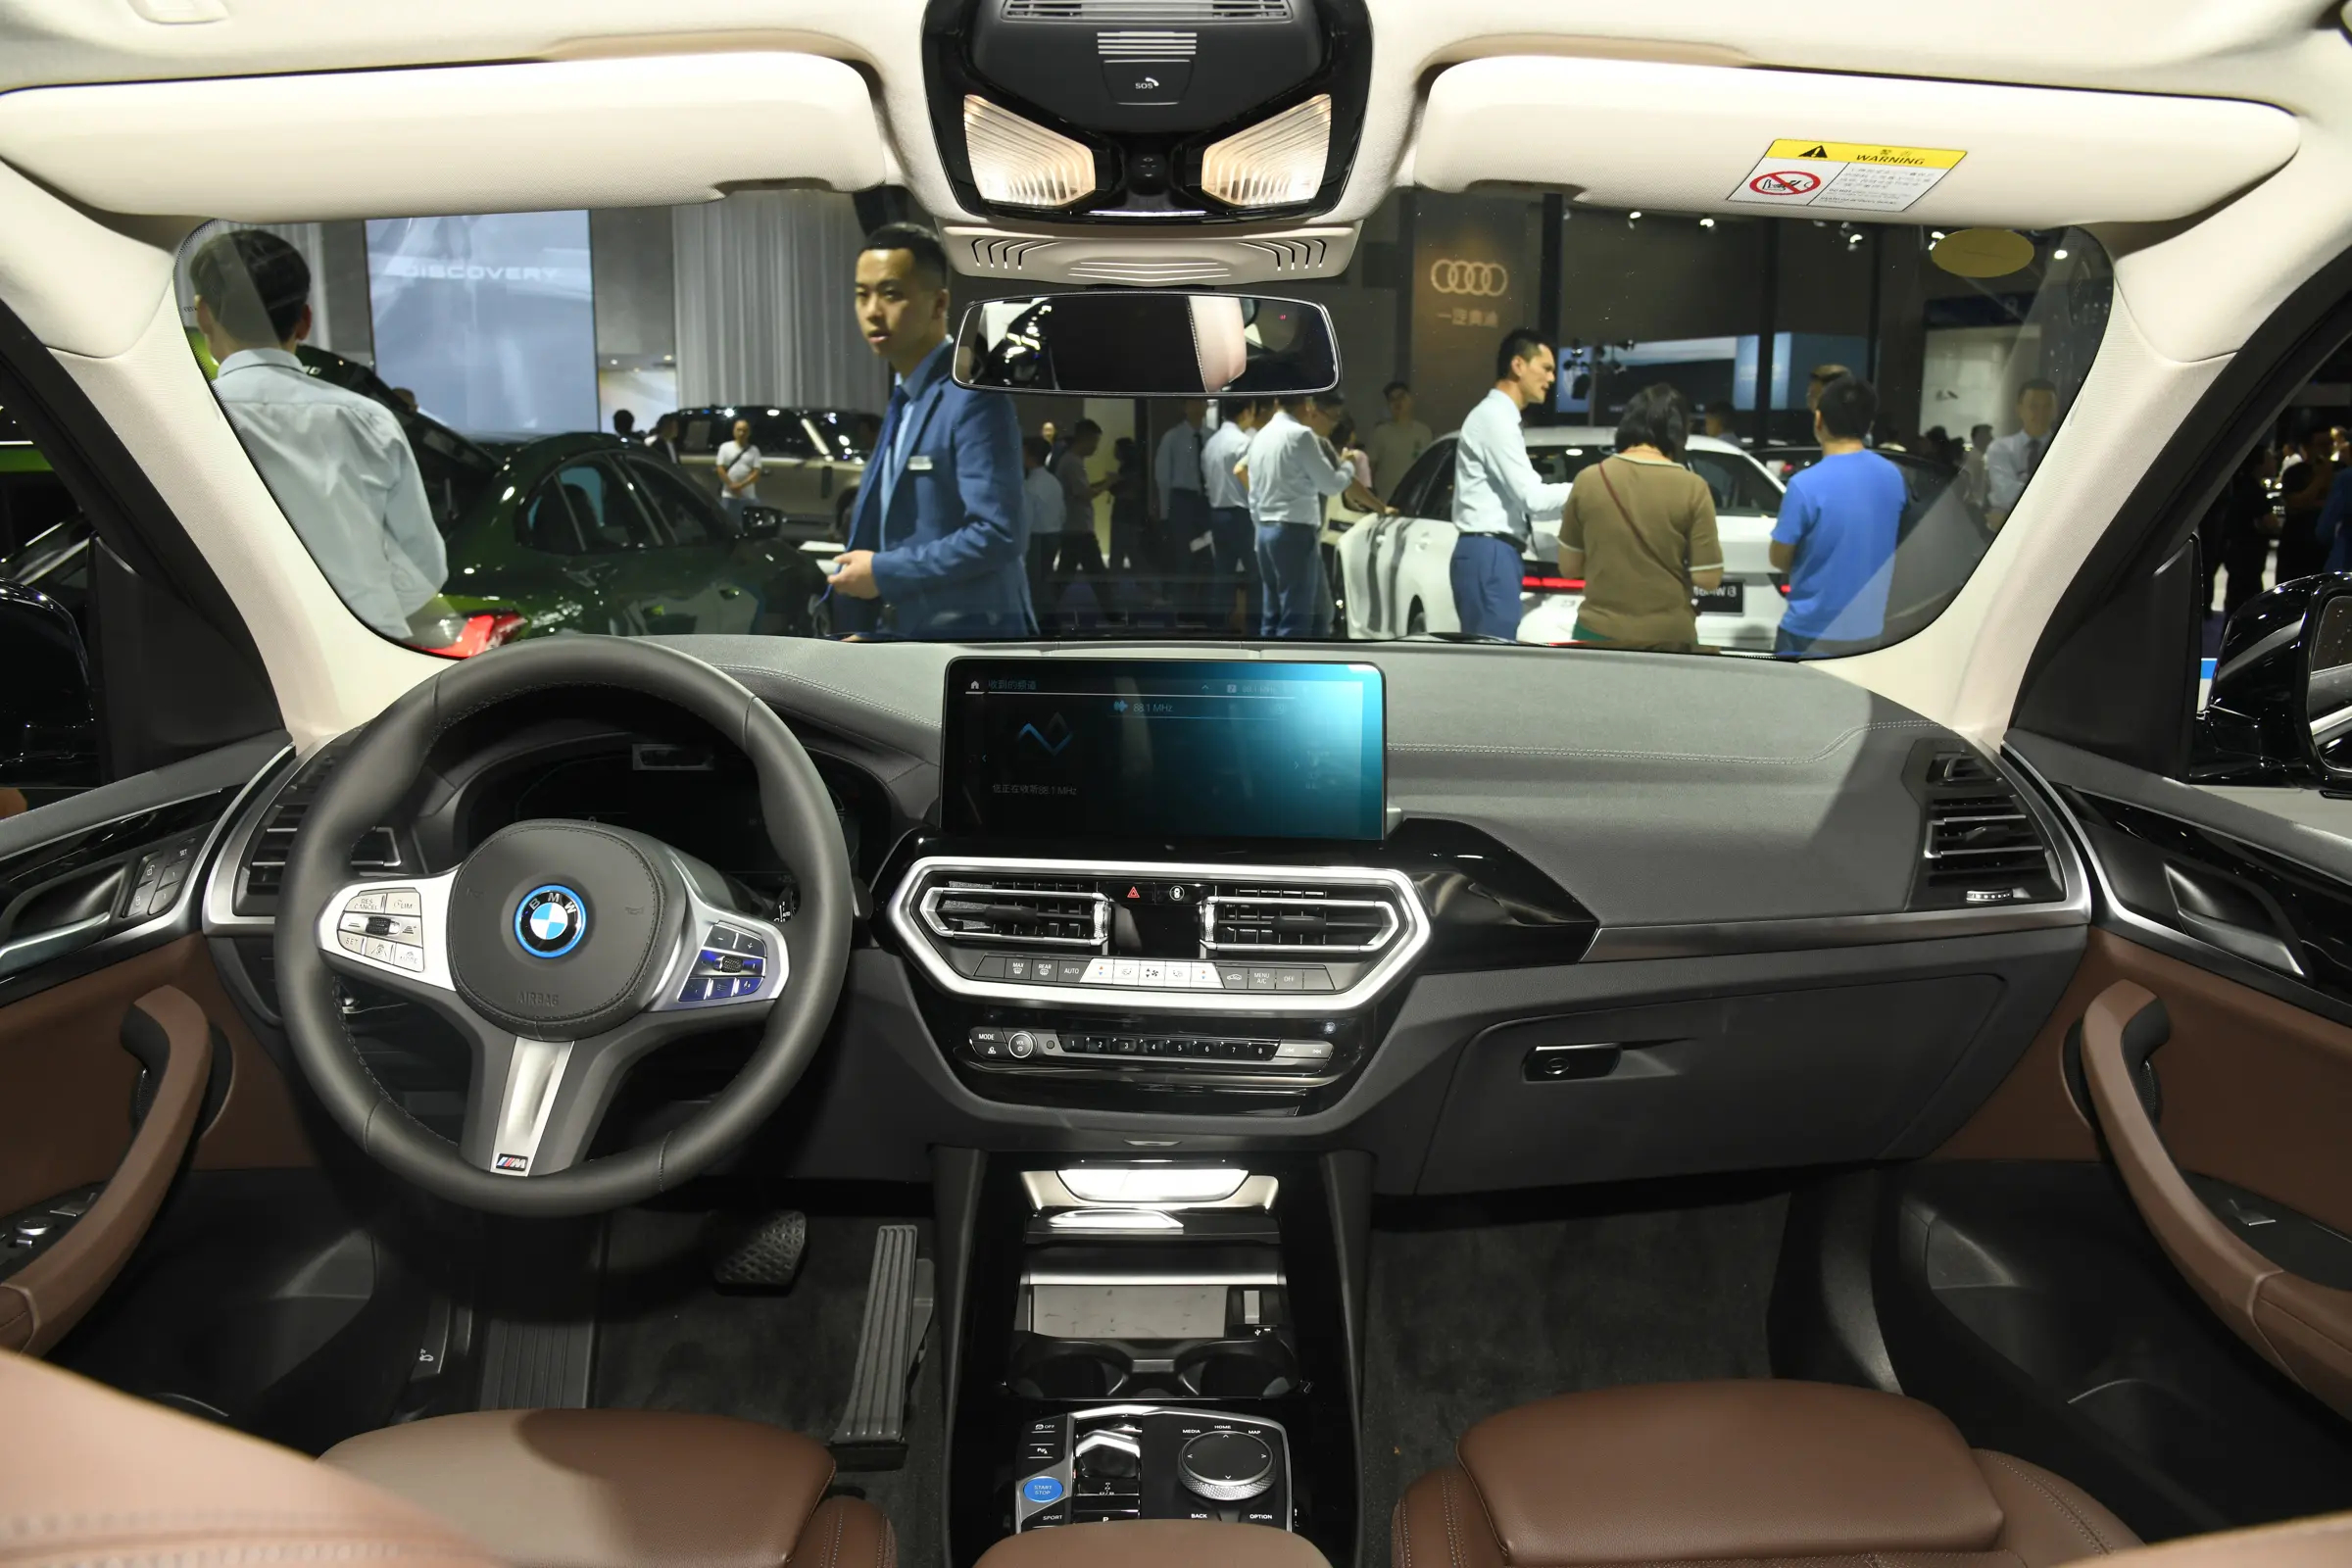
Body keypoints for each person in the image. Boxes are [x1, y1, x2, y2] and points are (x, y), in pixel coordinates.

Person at [189, 228, 445, 642]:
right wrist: (368, 606)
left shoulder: (189, 422)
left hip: (235, 651)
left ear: (203, 314)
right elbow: (424, 564)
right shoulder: (370, 421)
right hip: (366, 649)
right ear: (305, 321)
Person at [830, 222, 1030, 637]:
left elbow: (998, 533)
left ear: (939, 304)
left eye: (891, 294)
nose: (872, 311)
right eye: (862, 295)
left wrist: (883, 572)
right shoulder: (907, 396)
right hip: (914, 635)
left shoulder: (973, 395)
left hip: (968, 643)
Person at [1557, 383, 1721, 653]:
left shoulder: (1588, 480)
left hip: (1597, 631)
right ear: (1679, 431)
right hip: (1669, 636)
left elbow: (1569, 567)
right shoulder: (1693, 487)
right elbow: (1708, 578)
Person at [1768, 374, 1907, 657]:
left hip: (1808, 632)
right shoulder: (1894, 477)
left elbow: (1779, 557)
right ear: (1869, 424)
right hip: (1869, 631)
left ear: (1818, 419)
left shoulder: (1804, 485)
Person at [1450, 327, 1573, 641]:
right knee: (1492, 659)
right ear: (1518, 365)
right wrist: (1588, 486)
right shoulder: (1495, 418)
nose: (1551, 379)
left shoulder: (1498, 417)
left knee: (1491, 656)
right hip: (1491, 553)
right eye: (1546, 368)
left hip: (1493, 553)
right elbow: (1532, 498)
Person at [1243, 392, 1353, 637]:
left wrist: (1259, 527)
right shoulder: (1301, 436)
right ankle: (1288, 662)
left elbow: (1254, 492)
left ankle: (1266, 659)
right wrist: (1347, 465)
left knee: (1272, 614)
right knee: (1296, 616)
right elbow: (1330, 484)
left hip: (1264, 529)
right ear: (1307, 404)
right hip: (1294, 530)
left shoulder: (1260, 436)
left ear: (1276, 403)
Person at [1200, 400, 1261, 628]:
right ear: (1246, 412)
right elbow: (1252, 482)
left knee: (1222, 575)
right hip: (1241, 515)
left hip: (1217, 513)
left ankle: (1217, 628)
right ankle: (1256, 627)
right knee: (1256, 574)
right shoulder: (1244, 443)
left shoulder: (1211, 443)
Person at [1984, 378, 2061, 527]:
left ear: (2055, 410)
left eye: (2047, 406)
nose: (2041, 413)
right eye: (2034, 406)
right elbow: (2006, 493)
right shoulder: (2000, 448)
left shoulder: (2063, 447)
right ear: (2019, 409)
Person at [2280, 427, 2339, 583]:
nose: (2328, 448)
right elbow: (2295, 503)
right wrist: (2320, 479)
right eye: (2322, 444)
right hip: (2298, 545)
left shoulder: (2341, 470)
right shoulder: (2294, 473)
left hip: (2329, 548)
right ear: (2307, 447)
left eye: (2330, 443)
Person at [1052, 419, 1110, 569]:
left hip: (1073, 526)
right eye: (1094, 441)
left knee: (1067, 570)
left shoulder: (1072, 460)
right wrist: (1108, 484)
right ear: (1085, 439)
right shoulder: (1073, 462)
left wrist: (1104, 482)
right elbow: (1084, 493)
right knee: (1097, 573)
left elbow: (1083, 488)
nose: (1095, 447)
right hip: (1078, 527)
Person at [1367, 381, 1434, 500]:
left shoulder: (1424, 431)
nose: (1397, 402)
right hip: (1386, 499)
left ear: (1410, 400)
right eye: (1392, 399)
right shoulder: (1380, 432)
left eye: (1401, 397)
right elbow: (1371, 468)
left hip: (1414, 499)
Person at [1021, 433, 1064, 612]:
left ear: (1030, 456)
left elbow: (1026, 519)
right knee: (1045, 579)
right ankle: (1049, 615)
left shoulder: (1029, 485)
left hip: (1036, 537)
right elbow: (1062, 511)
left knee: (1034, 582)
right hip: (1054, 534)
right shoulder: (1053, 481)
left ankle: (1041, 618)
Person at [713, 417, 762, 524]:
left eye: (745, 430)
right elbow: (720, 468)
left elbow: (756, 473)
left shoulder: (754, 450)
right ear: (733, 431)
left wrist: (740, 485)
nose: (741, 433)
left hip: (748, 495)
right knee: (727, 524)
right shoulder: (725, 447)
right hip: (728, 495)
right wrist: (731, 485)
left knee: (748, 524)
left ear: (749, 433)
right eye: (739, 430)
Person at [1958, 422, 1995, 510]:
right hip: (1972, 506)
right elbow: (1965, 479)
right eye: (1988, 436)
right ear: (1980, 438)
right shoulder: (1975, 458)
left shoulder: (1977, 457)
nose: (1991, 439)